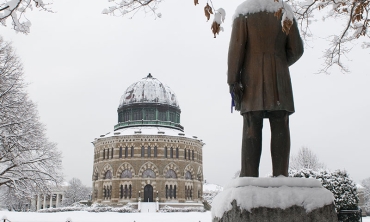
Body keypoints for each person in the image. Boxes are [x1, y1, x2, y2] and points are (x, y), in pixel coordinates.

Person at [228, 0, 304, 177]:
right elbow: (297, 49)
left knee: (251, 127)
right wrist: (279, 63)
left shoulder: (244, 13)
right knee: (280, 125)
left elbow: (235, 51)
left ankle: (248, 177)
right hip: (280, 81)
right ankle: (281, 175)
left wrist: (233, 80)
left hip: (250, 81)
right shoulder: (284, 11)